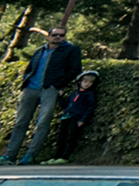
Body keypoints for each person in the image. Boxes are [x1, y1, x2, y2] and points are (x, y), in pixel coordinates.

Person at [4, 25, 83, 166]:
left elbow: (75, 69)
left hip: (49, 90)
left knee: (43, 123)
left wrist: (56, 85)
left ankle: (29, 155)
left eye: (61, 35)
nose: (58, 37)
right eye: (55, 35)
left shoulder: (71, 50)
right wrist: (25, 82)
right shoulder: (40, 50)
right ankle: (9, 155)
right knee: (20, 122)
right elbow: (30, 68)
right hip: (30, 89)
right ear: (48, 37)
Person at [45, 70, 100, 165]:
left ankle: (65, 157)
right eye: (85, 81)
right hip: (66, 117)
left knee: (71, 137)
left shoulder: (89, 95)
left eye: (90, 82)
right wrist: (60, 97)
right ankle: (56, 157)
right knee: (61, 137)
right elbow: (65, 105)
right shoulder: (74, 94)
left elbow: (90, 108)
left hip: (76, 117)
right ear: (80, 82)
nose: (87, 84)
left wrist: (83, 119)